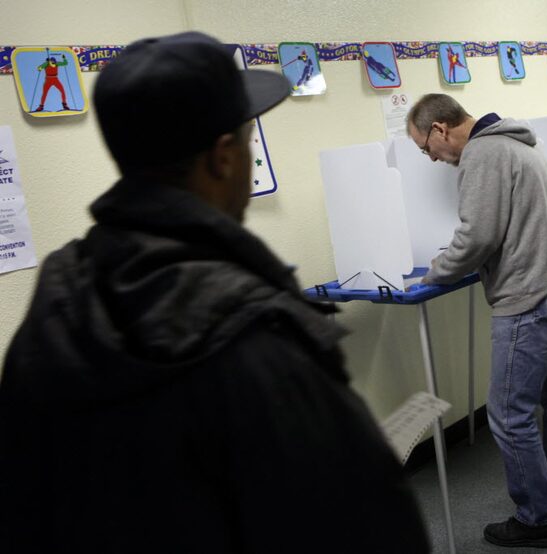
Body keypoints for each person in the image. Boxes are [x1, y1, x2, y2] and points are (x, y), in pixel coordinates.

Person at [0, 32, 429, 554]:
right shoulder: (253, 338)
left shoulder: (52, 317)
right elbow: (366, 525)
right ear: (224, 158)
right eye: (248, 140)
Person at [407, 93, 547, 549]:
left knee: (508, 414)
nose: (431, 158)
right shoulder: (519, 141)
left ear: (440, 129)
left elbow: (478, 234)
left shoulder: (483, 152)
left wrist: (437, 269)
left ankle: (538, 518)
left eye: (426, 148)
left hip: (529, 294)